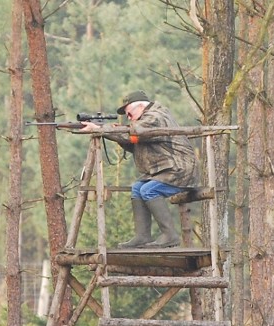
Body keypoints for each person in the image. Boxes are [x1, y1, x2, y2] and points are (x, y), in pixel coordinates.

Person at [81, 90, 200, 248]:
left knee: (149, 190)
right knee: (138, 188)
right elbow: (134, 142)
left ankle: (170, 235)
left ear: (139, 106)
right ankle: (142, 236)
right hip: (166, 169)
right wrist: (108, 130)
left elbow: (135, 133)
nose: (128, 118)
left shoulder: (155, 116)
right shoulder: (147, 119)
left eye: (129, 114)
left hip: (180, 169)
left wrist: (101, 129)